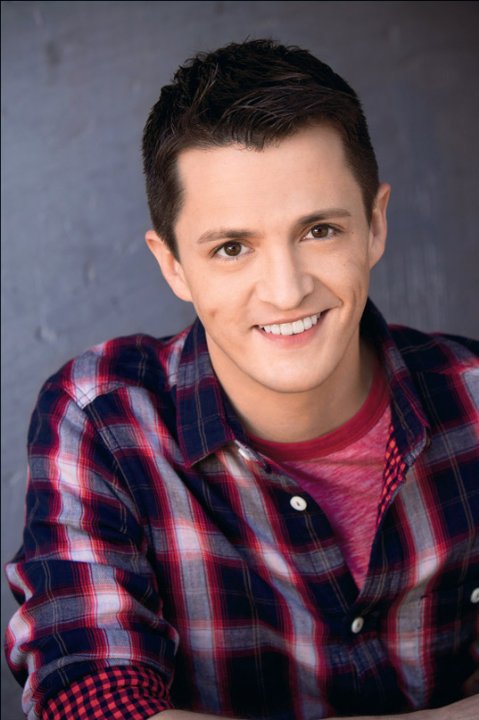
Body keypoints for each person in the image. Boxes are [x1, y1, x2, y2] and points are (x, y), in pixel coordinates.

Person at [5, 39, 479, 720]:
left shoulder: (471, 400)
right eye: (232, 247)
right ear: (172, 265)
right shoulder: (103, 419)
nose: (286, 290)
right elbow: (87, 700)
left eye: (319, 230)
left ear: (375, 226)